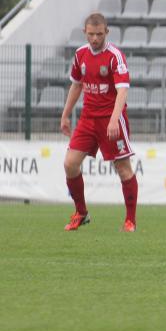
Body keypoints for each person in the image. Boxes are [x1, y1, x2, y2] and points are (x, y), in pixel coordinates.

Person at [60, 13, 138, 232]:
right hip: (88, 118)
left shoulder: (115, 56)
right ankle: (81, 213)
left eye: (99, 34)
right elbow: (76, 85)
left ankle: (130, 220)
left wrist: (114, 120)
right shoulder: (80, 55)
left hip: (111, 118)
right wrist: (65, 115)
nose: (95, 38)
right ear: (85, 32)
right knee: (70, 164)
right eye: (91, 34)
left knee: (123, 168)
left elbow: (122, 90)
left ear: (107, 32)